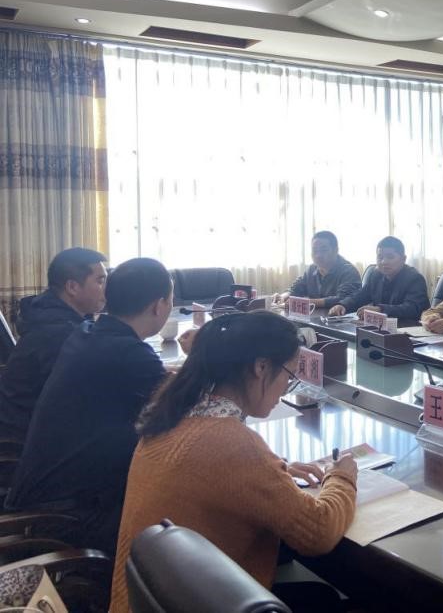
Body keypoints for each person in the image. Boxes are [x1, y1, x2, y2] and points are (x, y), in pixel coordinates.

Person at [108, 310, 358, 613]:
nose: (286, 388)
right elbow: (318, 532)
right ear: (261, 367)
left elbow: (213, 471)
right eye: (289, 376)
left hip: (143, 601)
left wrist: (274, 470)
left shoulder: (174, 411)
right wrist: (342, 477)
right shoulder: (233, 443)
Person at [4, 257, 172, 554]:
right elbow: (189, 404)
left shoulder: (88, 333)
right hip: (65, 518)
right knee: (182, 510)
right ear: (159, 306)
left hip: (41, 495)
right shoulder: (127, 352)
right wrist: (203, 356)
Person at [0, 247, 107, 440]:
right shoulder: (58, 334)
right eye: (100, 281)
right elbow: (80, 400)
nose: (106, 288)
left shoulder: (53, 317)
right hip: (23, 444)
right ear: (72, 287)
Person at [328, 236, 429, 320]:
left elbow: (412, 309)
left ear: (403, 259)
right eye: (380, 257)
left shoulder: (415, 278)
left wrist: (380, 310)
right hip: (382, 328)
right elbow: (359, 296)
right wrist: (343, 305)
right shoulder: (376, 275)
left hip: (407, 330)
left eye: (390, 257)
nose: (384, 262)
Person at [281, 231, 360, 310]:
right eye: (314, 250)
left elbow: (344, 299)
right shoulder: (311, 269)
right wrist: (284, 296)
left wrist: (307, 302)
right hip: (315, 316)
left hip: (339, 316)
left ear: (335, 250)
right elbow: (297, 288)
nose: (318, 255)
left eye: (324, 250)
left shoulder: (349, 271)